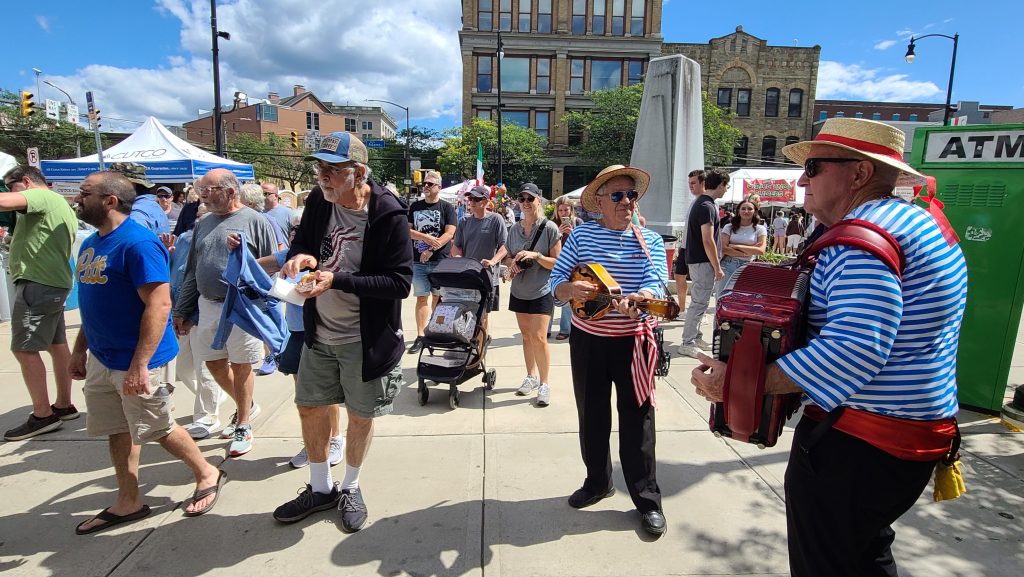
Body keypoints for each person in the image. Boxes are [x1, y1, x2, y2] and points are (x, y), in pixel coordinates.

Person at [692, 117, 968, 577]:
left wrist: (741, 384)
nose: (802, 181)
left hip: (857, 443)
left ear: (860, 173)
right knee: (864, 557)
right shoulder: (919, 220)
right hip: (911, 433)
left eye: (813, 167)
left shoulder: (861, 240)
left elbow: (854, 348)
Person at [69, 170, 226, 534]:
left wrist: (140, 364)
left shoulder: (137, 243)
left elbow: (159, 305)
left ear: (110, 201)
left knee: (157, 427)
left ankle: (207, 472)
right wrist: (80, 351)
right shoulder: (92, 242)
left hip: (138, 360)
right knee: (117, 429)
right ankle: (128, 500)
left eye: (85, 193)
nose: (78, 198)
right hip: (103, 357)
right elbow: (94, 304)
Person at [274, 132, 411, 532]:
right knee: (310, 407)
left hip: (364, 339)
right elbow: (304, 242)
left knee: (360, 415)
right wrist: (299, 256)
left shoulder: (388, 214)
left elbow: (400, 283)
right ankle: (321, 488)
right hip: (319, 331)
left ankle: (350, 486)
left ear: (359, 174)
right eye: (320, 168)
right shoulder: (321, 201)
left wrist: (337, 280)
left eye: (333, 170)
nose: (323, 177)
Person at [550, 164, 669, 537]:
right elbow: (556, 280)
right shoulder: (581, 236)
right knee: (592, 415)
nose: (626, 201)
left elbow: (657, 281)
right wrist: (570, 290)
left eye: (631, 195)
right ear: (599, 201)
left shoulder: (650, 240)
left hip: (634, 342)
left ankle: (647, 500)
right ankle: (597, 482)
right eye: (617, 195)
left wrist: (644, 296)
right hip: (589, 341)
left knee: (638, 421)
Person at [172, 169, 278, 457]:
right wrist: (183, 308)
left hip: (241, 304)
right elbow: (192, 269)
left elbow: (272, 266)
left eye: (209, 189)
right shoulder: (204, 223)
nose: (202, 195)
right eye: (200, 189)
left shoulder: (255, 221)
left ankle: (243, 423)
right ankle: (248, 405)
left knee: (242, 365)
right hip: (207, 305)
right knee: (214, 363)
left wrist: (246, 263)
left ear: (231, 192)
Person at [1, 166, 79, 441]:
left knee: (24, 348)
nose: (8, 191)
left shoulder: (41, 196)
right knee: (57, 345)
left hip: (38, 283)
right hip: (52, 283)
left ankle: (43, 415)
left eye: (9, 186)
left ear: (25, 181)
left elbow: (4, 202)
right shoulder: (57, 202)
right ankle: (64, 404)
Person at [167, 200, 225, 440]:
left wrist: (191, 314)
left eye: (207, 215)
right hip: (181, 311)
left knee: (205, 368)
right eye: (199, 215)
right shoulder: (184, 239)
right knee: (183, 368)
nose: (202, 219)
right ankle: (222, 391)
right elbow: (177, 274)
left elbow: (205, 281)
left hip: (204, 312)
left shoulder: (217, 242)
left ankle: (207, 415)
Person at [504, 183, 561, 405]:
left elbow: (557, 263)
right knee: (526, 336)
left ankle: (545, 383)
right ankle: (531, 376)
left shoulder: (549, 228)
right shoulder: (513, 229)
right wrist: (513, 264)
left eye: (530, 198)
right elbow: (508, 257)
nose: (526, 203)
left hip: (541, 290)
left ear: (539, 200)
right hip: (519, 290)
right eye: (522, 199)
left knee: (539, 337)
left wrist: (537, 256)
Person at [678, 168, 728, 358]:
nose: (726, 189)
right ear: (721, 184)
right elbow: (708, 239)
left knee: (700, 301)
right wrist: (717, 266)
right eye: (726, 186)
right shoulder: (706, 205)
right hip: (702, 261)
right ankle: (688, 342)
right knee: (699, 302)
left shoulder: (703, 203)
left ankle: (695, 337)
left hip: (698, 260)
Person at [406, 170, 457, 355]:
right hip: (418, 260)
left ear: (439, 187)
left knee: (438, 297)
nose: (425, 187)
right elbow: (407, 230)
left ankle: (436, 330)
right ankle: (421, 335)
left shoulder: (447, 208)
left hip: (440, 260)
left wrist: (431, 249)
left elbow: (449, 233)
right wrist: (425, 238)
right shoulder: (415, 206)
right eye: (424, 184)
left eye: (430, 184)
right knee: (421, 297)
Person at [453, 185, 508, 320]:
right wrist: (458, 259)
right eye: (470, 198)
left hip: (487, 275)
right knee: (466, 314)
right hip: (468, 275)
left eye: (476, 199)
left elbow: (505, 246)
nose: (472, 201)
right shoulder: (464, 221)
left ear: (485, 201)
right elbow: (456, 246)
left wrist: (493, 261)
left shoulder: (496, 219)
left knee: (483, 317)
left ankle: (481, 335)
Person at [715, 197, 767, 298]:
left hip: (747, 267)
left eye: (750, 209)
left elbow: (761, 251)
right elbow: (724, 248)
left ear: (755, 211)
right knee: (722, 297)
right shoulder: (729, 227)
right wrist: (749, 250)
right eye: (743, 208)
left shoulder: (760, 229)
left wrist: (735, 246)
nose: (746, 211)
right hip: (728, 265)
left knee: (743, 298)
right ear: (738, 211)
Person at [673, 169, 705, 315]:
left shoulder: (706, 203)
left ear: (703, 183)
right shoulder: (694, 202)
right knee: (679, 275)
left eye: (693, 183)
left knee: (698, 282)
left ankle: (696, 312)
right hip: (685, 246)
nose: (690, 186)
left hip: (697, 249)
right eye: (689, 183)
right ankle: (682, 309)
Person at [551, 196, 583, 340]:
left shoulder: (578, 223)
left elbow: (583, 244)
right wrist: (558, 233)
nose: (563, 213)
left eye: (566, 210)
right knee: (549, 295)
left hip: (572, 265)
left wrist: (572, 234)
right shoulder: (552, 224)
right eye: (561, 210)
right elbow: (548, 243)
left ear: (571, 210)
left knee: (568, 297)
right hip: (554, 263)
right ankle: (546, 328)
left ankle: (565, 329)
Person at [109, 162, 169, 236]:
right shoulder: (151, 205)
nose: (109, 188)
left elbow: (132, 238)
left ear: (131, 184)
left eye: (114, 184)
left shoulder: (136, 213)